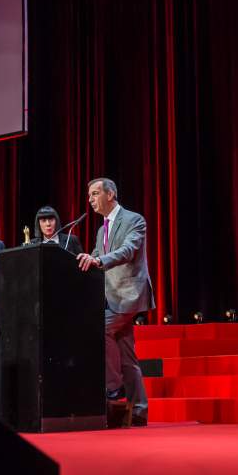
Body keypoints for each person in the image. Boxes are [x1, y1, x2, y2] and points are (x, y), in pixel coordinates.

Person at [77, 177, 154, 426]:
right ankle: (139, 411)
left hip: (129, 294)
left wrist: (99, 260)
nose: (90, 200)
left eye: (95, 194)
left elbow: (128, 250)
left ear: (110, 195)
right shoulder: (102, 230)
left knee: (100, 328)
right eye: (89, 195)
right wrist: (86, 258)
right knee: (127, 356)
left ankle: (113, 386)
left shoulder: (134, 220)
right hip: (111, 297)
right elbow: (96, 255)